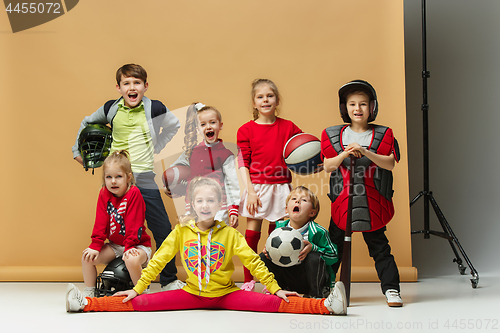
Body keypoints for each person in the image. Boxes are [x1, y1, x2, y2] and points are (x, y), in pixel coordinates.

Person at [66, 177, 347, 316]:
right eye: (199, 201)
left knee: (277, 302)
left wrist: (274, 287)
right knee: (137, 302)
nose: (205, 206)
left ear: (220, 206)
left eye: (211, 201)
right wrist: (138, 287)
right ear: (191, 205)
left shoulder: (229, 234)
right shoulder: (181, 232)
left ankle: (326, 306)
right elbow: (158, 261)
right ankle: (86, 303)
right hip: (191, 294)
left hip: (226, 295)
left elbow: (253, 261)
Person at [71, 64, 184, 291]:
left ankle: (169, 280)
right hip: (116, 178)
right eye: (127, 83)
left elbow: (174, 126)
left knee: (162, 230)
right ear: (119, 87)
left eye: (137, 83)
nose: (132, 87)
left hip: (142, 176)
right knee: (114, 225)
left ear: (145, 86)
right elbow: (86, 123)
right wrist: (77, 152)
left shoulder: (154, 108)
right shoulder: (111, 109)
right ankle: (122, 276)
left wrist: (157, 147)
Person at [320, 79, 402, 307]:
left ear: (372, 107)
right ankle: (325, 287)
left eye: (363, 104)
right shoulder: (333, 134)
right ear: (344, 108)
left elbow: (390, 164)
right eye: (352, 104)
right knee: (333, 247)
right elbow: (328, 166)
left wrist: (365, 151)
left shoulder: (383, 134)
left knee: (380, 248)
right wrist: (345, 154)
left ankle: (392, 289)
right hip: (343, 202)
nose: (357, 109)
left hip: (371, 202)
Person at [237, 79, 303, 291]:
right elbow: (243, 164)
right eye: (260, 97)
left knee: (279, 237)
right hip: (257, 187)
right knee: (252, 234)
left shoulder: (289, 127)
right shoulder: (246, 130)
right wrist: (250, 191)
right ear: (254, 103)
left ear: (277, 100)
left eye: (270, 96)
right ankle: (249, 280)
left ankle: (273, 280)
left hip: (281, 186)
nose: (265, 100)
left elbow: (303, 149)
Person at [79, 151, 152, 297]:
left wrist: (130, 247)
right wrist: (95, 245)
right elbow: (100, 223)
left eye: (118, 176)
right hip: (116, 246)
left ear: (128, 177)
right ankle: (90, 292)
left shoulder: (134, 193)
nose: (113, 181)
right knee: (87, 257)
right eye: (109, 177)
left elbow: (134, 225)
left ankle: (141, 292)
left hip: (137, 245)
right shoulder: (103, 194)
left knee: (130, 259)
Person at [168, 103, 240, 227]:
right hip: (194, 206)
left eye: (212, 122)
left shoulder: (226, 155)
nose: (208, 127)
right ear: (198, 129)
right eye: (203, 124)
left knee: (218, 240)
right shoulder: (192, 152)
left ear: (220, 125)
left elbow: (232, 183)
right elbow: (179, 173)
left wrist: (233, 208)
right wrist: (171, 185)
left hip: (218, 206)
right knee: (195, 239)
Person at [260, 186, 338, 298]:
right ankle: (276, 290)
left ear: (312, 212)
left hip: (307, 280)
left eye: (304, 200)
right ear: (287, 210)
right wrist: (269, 253)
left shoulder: (319, 232)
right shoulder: (278, 229)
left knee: (314, 257)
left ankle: (316, 295)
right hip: (287, 278)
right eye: (294, 199)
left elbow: (334, 257)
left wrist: (314, 248)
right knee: (263, 257)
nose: (297, 201)